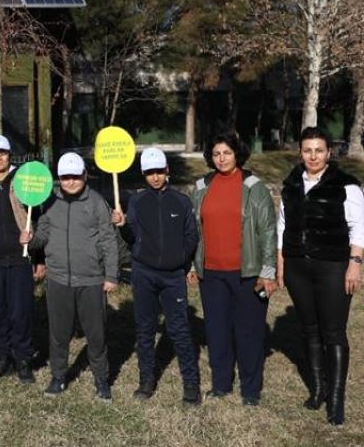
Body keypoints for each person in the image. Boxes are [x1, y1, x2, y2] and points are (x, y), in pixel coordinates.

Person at [277, 126, 363, 425]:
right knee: (309, 330)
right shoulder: (291, 184)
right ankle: (318, 389)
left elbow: (359, 228)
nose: (313, 155)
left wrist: (355, 263)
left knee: (333, 332)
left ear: (329, 153)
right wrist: (281, 262)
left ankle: (336, 400)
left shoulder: (346, 185)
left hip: (333, 266)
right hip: (298, 266)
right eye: (307, 150)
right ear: (300, 153)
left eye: (318, 150)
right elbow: (283, 225)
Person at [191, 132, 277, 406]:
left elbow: (267, 231)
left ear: (237, 154)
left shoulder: (255, 187)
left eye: (226, 153)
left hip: (247, 273)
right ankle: (221, 384)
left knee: (249, 332)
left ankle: (250, 390)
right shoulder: (202, 186)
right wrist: (192, 265)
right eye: (216, 154)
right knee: (217, 331)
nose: (221, 158)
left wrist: (267, 272)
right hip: (212, 273)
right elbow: (194, 230)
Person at [25, 153, 120, 401]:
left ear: (84, 176)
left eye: (75, 177)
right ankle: (58, 376)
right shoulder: (50, 202)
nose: (70, 182)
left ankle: (102, 380)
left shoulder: (97, 202)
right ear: (59, 179)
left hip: (90, 279)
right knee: (58, 333)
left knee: (96, 334)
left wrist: (111, 274)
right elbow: (43, 234)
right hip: (57, 279)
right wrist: (31, 240)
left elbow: (109, 240)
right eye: (65, 177)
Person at [112, 148, 201, 405]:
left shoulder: (181, 201)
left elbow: (191, 236)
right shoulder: (137, 202)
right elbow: (131, 238)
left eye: (159, 172)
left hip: (173, 276)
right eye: (150, 173)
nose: (155, 177)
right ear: (144, 174)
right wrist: (123, 225)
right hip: (144, 274)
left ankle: (191, 385)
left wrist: (180, 259)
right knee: (145, 329)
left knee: (180, 329)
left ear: (167, 171)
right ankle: (146, 381)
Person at [0, 135, 37, 384]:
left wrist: (35, 244)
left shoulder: (23, 179)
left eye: (3, 153)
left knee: (20, 311)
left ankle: (23, 358)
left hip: (20, 258)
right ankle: (3, 356)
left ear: (10, 155)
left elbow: (39, 213)